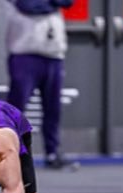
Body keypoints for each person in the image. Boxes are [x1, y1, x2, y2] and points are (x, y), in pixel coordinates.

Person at [6, 0, 75, 169]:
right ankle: (6, 150)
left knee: (53, 108)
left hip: (53, 54)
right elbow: (29, 5)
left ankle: (53, 152)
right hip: (25, 53)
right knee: (16, 107)